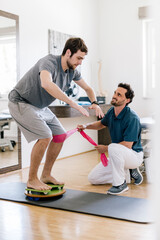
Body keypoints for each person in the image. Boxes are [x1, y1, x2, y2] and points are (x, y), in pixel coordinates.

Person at [8, 37, 104, 191]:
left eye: (82, 59)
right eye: (79, 58)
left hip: (40, 106)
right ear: (68, 52)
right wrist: (73, 103)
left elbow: (88, 89)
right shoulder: (49, 62)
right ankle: (32, 179)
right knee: (45, 136)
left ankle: (46, 175)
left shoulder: (72, 71)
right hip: (21, 101)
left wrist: (95, 103)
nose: (80, 62)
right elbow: (46, 83)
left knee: (60, 136)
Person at [77, 83, 143, 195]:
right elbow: (101, 124)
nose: (114, 96)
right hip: (117, 154)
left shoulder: (132, 118)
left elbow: (127, 145)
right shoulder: (112, 112)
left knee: (113, 147)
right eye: (115, 93)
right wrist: (85, 126)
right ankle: (126, 175)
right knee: (93, 178)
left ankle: (120, 184)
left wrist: (106, 148)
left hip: (133, 156)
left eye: (119, 95)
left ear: (127, 100)